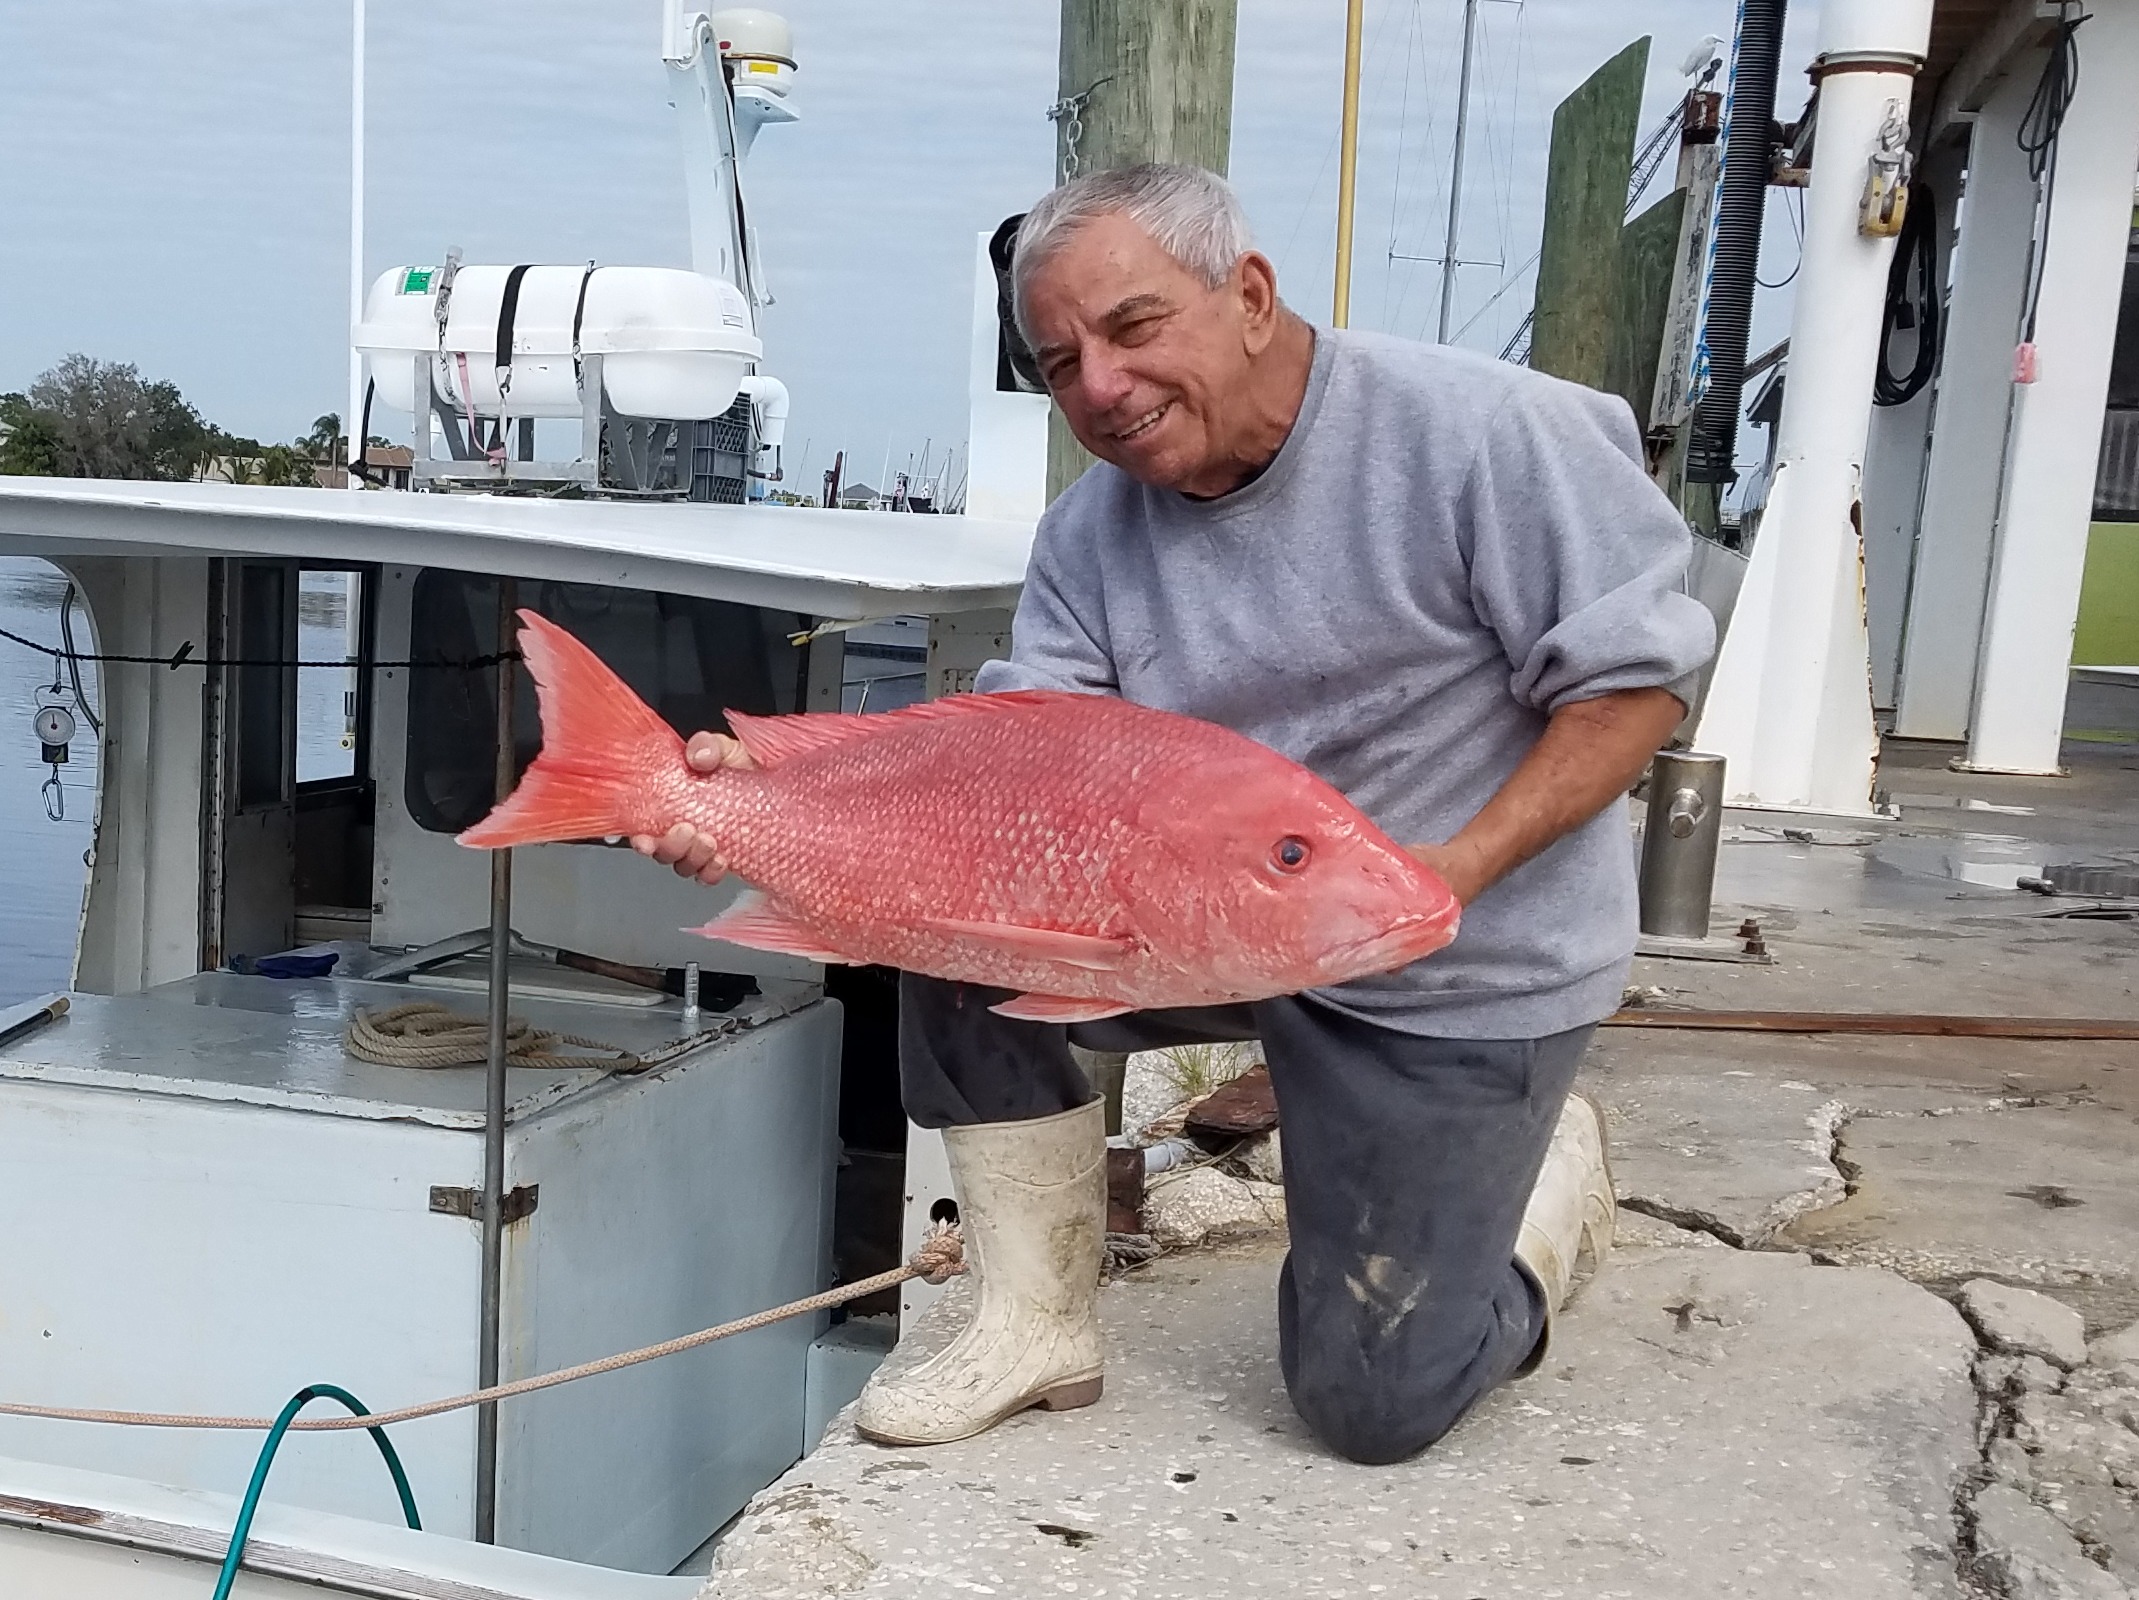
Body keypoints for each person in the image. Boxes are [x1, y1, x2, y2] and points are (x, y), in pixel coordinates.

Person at [636, 163, 1715, 1465]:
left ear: (1249, 295)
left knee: (1371, 1407)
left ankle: (1544, 1201)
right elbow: (1015, 764)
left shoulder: (1487, 437)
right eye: (1057, 362)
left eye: (1134, 328)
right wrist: (778, 802)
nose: (1097, 386)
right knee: (957, 940)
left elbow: (1637, 686)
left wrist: (1452, 871)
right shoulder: (1087, 537)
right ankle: (1035, 1323)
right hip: (1205, 925)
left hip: (1457, 958)